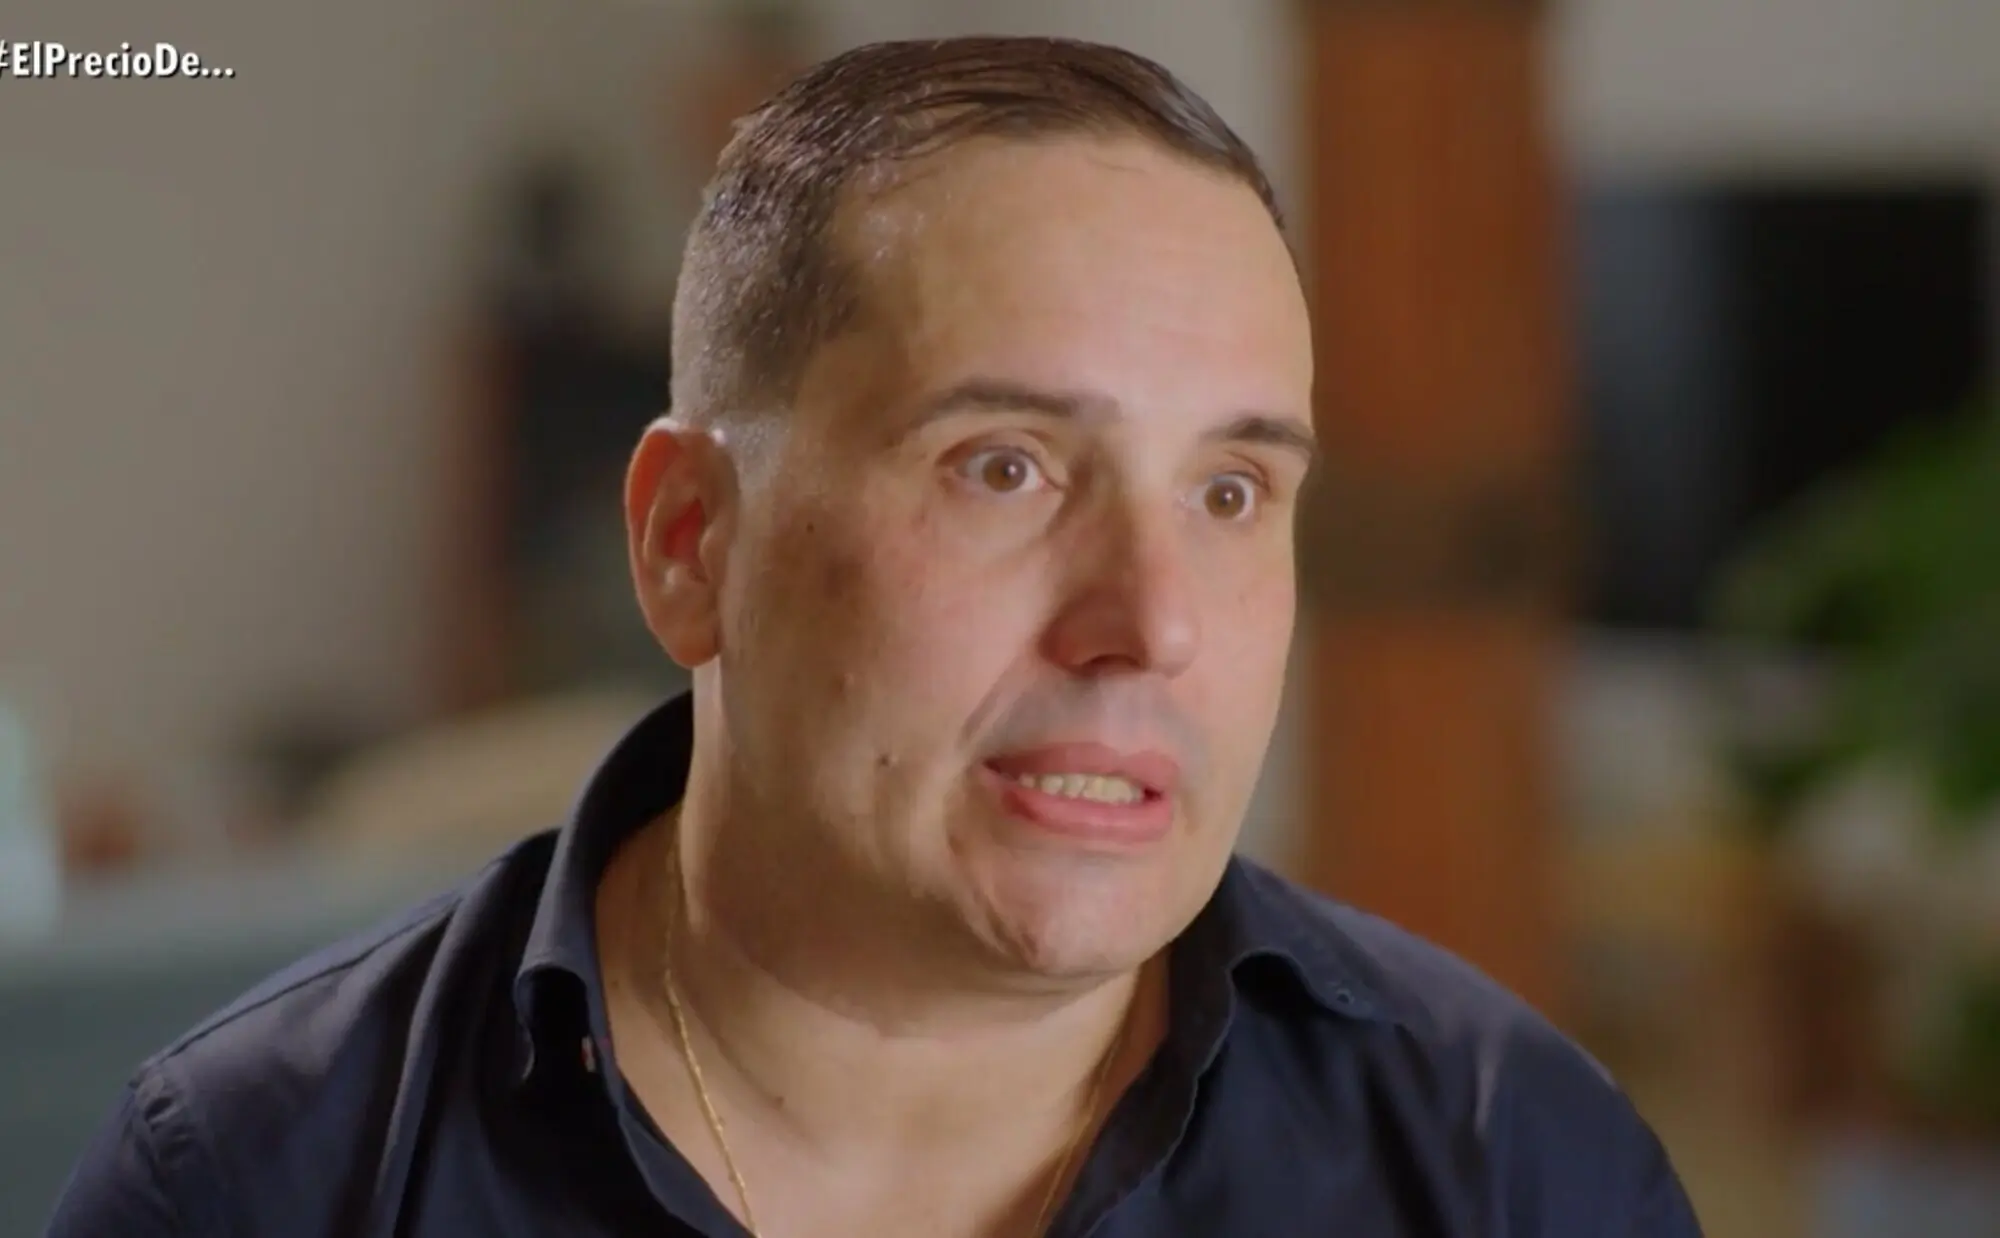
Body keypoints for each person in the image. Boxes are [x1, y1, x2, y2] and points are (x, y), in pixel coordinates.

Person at [46, 35, 1703, 1238]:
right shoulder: (262, 1179)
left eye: (1230, 491)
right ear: (691, 541)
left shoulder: (1514, 1165)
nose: (1152, 624)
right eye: (1007, 466)